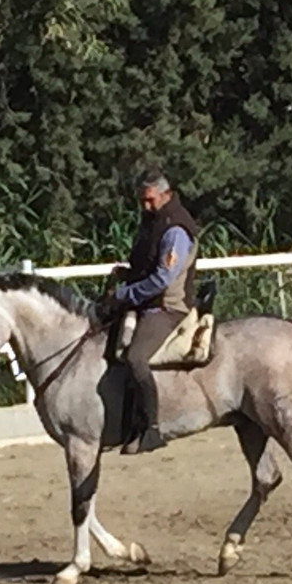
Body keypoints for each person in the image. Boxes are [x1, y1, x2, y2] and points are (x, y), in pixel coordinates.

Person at [106, 167, 200, 455]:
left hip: (169, 308)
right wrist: (127, 273)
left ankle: (152, 428)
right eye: (142, 201)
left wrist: (124, 294)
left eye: (150, 200)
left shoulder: (174, 229)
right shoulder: (155, 221)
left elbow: (162, 279)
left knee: (136, 358)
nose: (145, 206)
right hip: (149, 303)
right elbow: (148, 268)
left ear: (165, 194)